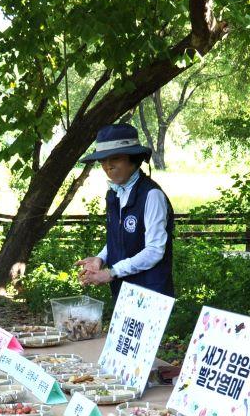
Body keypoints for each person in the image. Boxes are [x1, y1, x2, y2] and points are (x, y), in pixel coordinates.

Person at [75, 123, 176, 298]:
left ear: (133, 159)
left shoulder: (151, 195)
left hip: (150, 293)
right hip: (124, 292)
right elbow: (120, 237)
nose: (108, 166)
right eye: (103, 160)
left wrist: (111, 273)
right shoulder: (114, 193)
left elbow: (154, 251)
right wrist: (101, 258)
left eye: (114, 158)